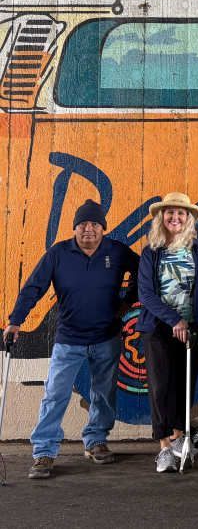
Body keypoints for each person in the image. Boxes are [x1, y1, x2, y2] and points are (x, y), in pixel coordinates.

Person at [3, 200, 139, 480]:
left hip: (107, 337)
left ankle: (96, 441)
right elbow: (33, 287)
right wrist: (15, 321)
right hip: (69, 339)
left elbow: (143, 271)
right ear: (75, 228)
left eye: (94, 225)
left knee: (103, 393)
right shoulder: (58, 253)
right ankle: (44, 451)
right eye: (82, 225)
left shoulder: (117, 251)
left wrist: (128, 300)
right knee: (55, 395)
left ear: (103, 228)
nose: (88, 230)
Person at [137, 192, 198, 473]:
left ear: (189, 219)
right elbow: (146, 294)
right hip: (159, 329)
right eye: (170, 213)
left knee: (186, 386)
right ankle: (164, 448)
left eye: (181, 214)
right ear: (162, 218)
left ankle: (179, 439)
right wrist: (174, 320)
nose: (175, 218)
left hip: (192, 328)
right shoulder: (151, 251)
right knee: (161, 387)